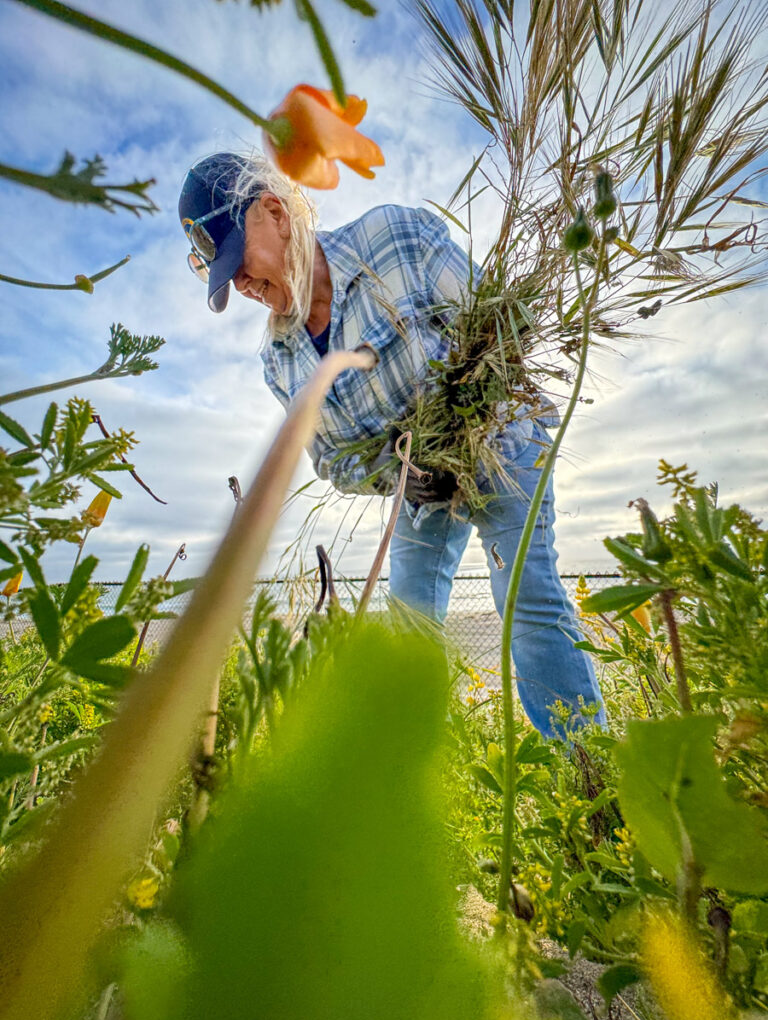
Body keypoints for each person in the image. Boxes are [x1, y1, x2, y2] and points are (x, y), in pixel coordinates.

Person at [178, 151, 606, 738]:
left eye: (240, 264)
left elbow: (503, 322)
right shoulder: (281, 362)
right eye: (228, 279)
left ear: (274, 212)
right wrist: (399, 475)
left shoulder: (394, 238)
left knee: (525, 604)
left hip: (501, 441)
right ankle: (408, 786)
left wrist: (467, 408)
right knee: (409, 625)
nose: (245, 286)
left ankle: (589, 776)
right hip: (420, 487)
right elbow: (332, 460)